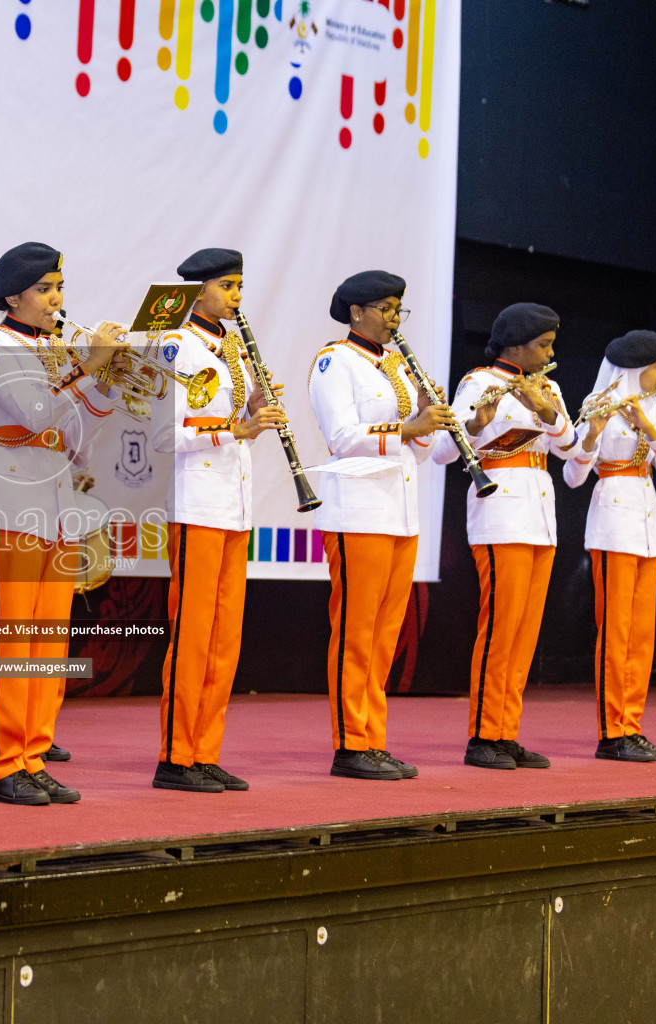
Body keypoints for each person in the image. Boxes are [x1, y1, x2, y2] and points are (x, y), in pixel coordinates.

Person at [0, 241, 125, 804]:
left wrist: (108, 386)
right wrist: (90, 367)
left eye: (59, 287)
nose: (57, 299)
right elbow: (34, 413)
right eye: (44, 289)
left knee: (48, 643)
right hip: (10, 500)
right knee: (14, 640)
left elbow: (79, 438)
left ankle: (34, 754)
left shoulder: (56, 350)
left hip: (56, 504)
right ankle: (5, 764)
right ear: (13, 295)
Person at [307, 270, 453, 780]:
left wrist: (422, 416)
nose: (394, 319)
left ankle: (373, 738)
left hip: (399, 512)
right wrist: (407, 425)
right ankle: (350, 743)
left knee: (386, 634)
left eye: (398, 311)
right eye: (386, 309)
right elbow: (344, 435)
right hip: (358, 510)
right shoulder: (334, 361)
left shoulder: (395, 366)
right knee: (355, 632)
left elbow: (424, 448)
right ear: (356, 312)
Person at [149, 248, 284, 793]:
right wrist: (234, 431)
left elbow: (236, 419)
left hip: (234, 507)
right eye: (227, 286)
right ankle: (175, 756)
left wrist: (254, 405)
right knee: (193, 635)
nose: (236, 297)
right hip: (196, 504)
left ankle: (206, 751)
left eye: (239, 287)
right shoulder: (174, 345)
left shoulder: (233, 349)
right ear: (197, 290)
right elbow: (161, 436)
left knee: (225, 638)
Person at [435, 303, 571, 771]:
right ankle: (481, 734)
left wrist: (544, 408)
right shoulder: (477, 382)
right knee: (499, 627)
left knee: (524, 633)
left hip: (539, 514)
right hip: (500, 512)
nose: (550, 352)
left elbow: (569, 446)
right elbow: (440, 451)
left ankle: (506, 731)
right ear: (515, 344)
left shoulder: (547, 386)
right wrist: (476, 422)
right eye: (544, 344)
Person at [562, 331, 656, 761]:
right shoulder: (599, 405)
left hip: (647, 522)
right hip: (613, 521)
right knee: (616, 631)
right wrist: (592, 436)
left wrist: (649, 428)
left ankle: (633, 723)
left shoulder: (652, 409)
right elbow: (573, 478)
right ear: (637, 369)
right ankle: (613, 731)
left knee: (642, 634)